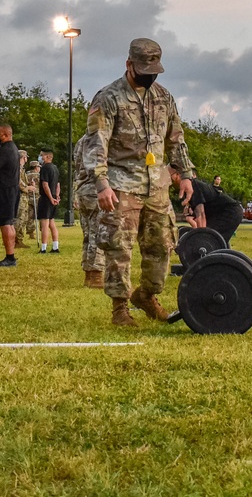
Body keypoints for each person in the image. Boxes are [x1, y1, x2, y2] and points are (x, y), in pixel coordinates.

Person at [83, 38, 195, 326]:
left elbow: (176, 139)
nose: (150, 75)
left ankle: (146, 295)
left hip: (156, 185)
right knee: (119, 247)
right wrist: (101, 183)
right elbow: (97, 142)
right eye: (144, 69)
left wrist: (185, 175)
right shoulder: (108, 98)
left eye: (154, 70)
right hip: (121, 184)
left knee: (162, 244)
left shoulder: (164, 97)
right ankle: (120, 308)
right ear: (128, 65)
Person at [170, 168, 244, 243]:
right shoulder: (192, 186)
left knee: (208, 241)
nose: (170, 181)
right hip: (228, 211)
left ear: (177, 175)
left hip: (230, 212)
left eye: (171, 176)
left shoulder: (193, 186)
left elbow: (201, 216)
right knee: (214, 242)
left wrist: (201, 240)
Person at [74, 134, 104, 288]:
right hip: (97, 189)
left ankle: (88, 274)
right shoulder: (102, 139)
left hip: (83, 190)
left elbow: (77, 166)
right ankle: (96, 274)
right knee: (98, 233)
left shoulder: (82, 140)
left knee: (87, 234)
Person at [0, 124, 21, 267]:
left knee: (5, 223)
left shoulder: (5, 149)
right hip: (12, 190)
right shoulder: (13, 148)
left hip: (4, 190)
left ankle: (10, 257)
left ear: (6, 135)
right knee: (9, 222)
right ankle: (10, 255)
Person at [37, 147, 61, 253]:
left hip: (46, 198)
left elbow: (45, 184)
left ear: (47, 156)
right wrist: (57, 196)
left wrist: (50, 198)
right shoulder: (55, 168)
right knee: (52, 223)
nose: (40, 157)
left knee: (44, 224)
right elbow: (58, 184)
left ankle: (43, 248)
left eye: (42, 155)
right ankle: (55, 246)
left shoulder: (45, 168)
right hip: (54, 197)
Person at [13, 150, 35, 248]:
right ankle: (16, 239)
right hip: (20, 196)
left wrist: (29, 184)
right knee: (20, 218)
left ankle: (18, 239)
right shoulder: (17, 168)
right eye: (26, 157)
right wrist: (27, 188)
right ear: (23, 157)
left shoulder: (21, 169)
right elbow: (18, 181)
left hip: (23, 196)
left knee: (24, 218)